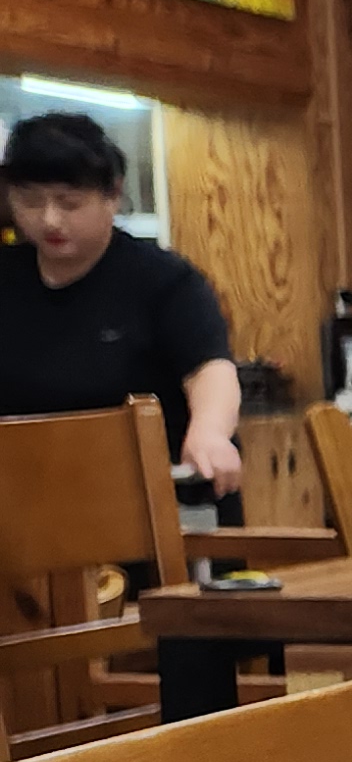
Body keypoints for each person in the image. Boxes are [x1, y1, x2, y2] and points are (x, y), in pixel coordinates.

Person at [0, 111, 242, 493]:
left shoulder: (164, 280)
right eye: (30, 201)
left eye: (69, 203)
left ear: (112, 194)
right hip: (34, 497)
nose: (50, 220)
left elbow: (209, 369)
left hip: (161, 498)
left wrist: (210, 432)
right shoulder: (8, 277)